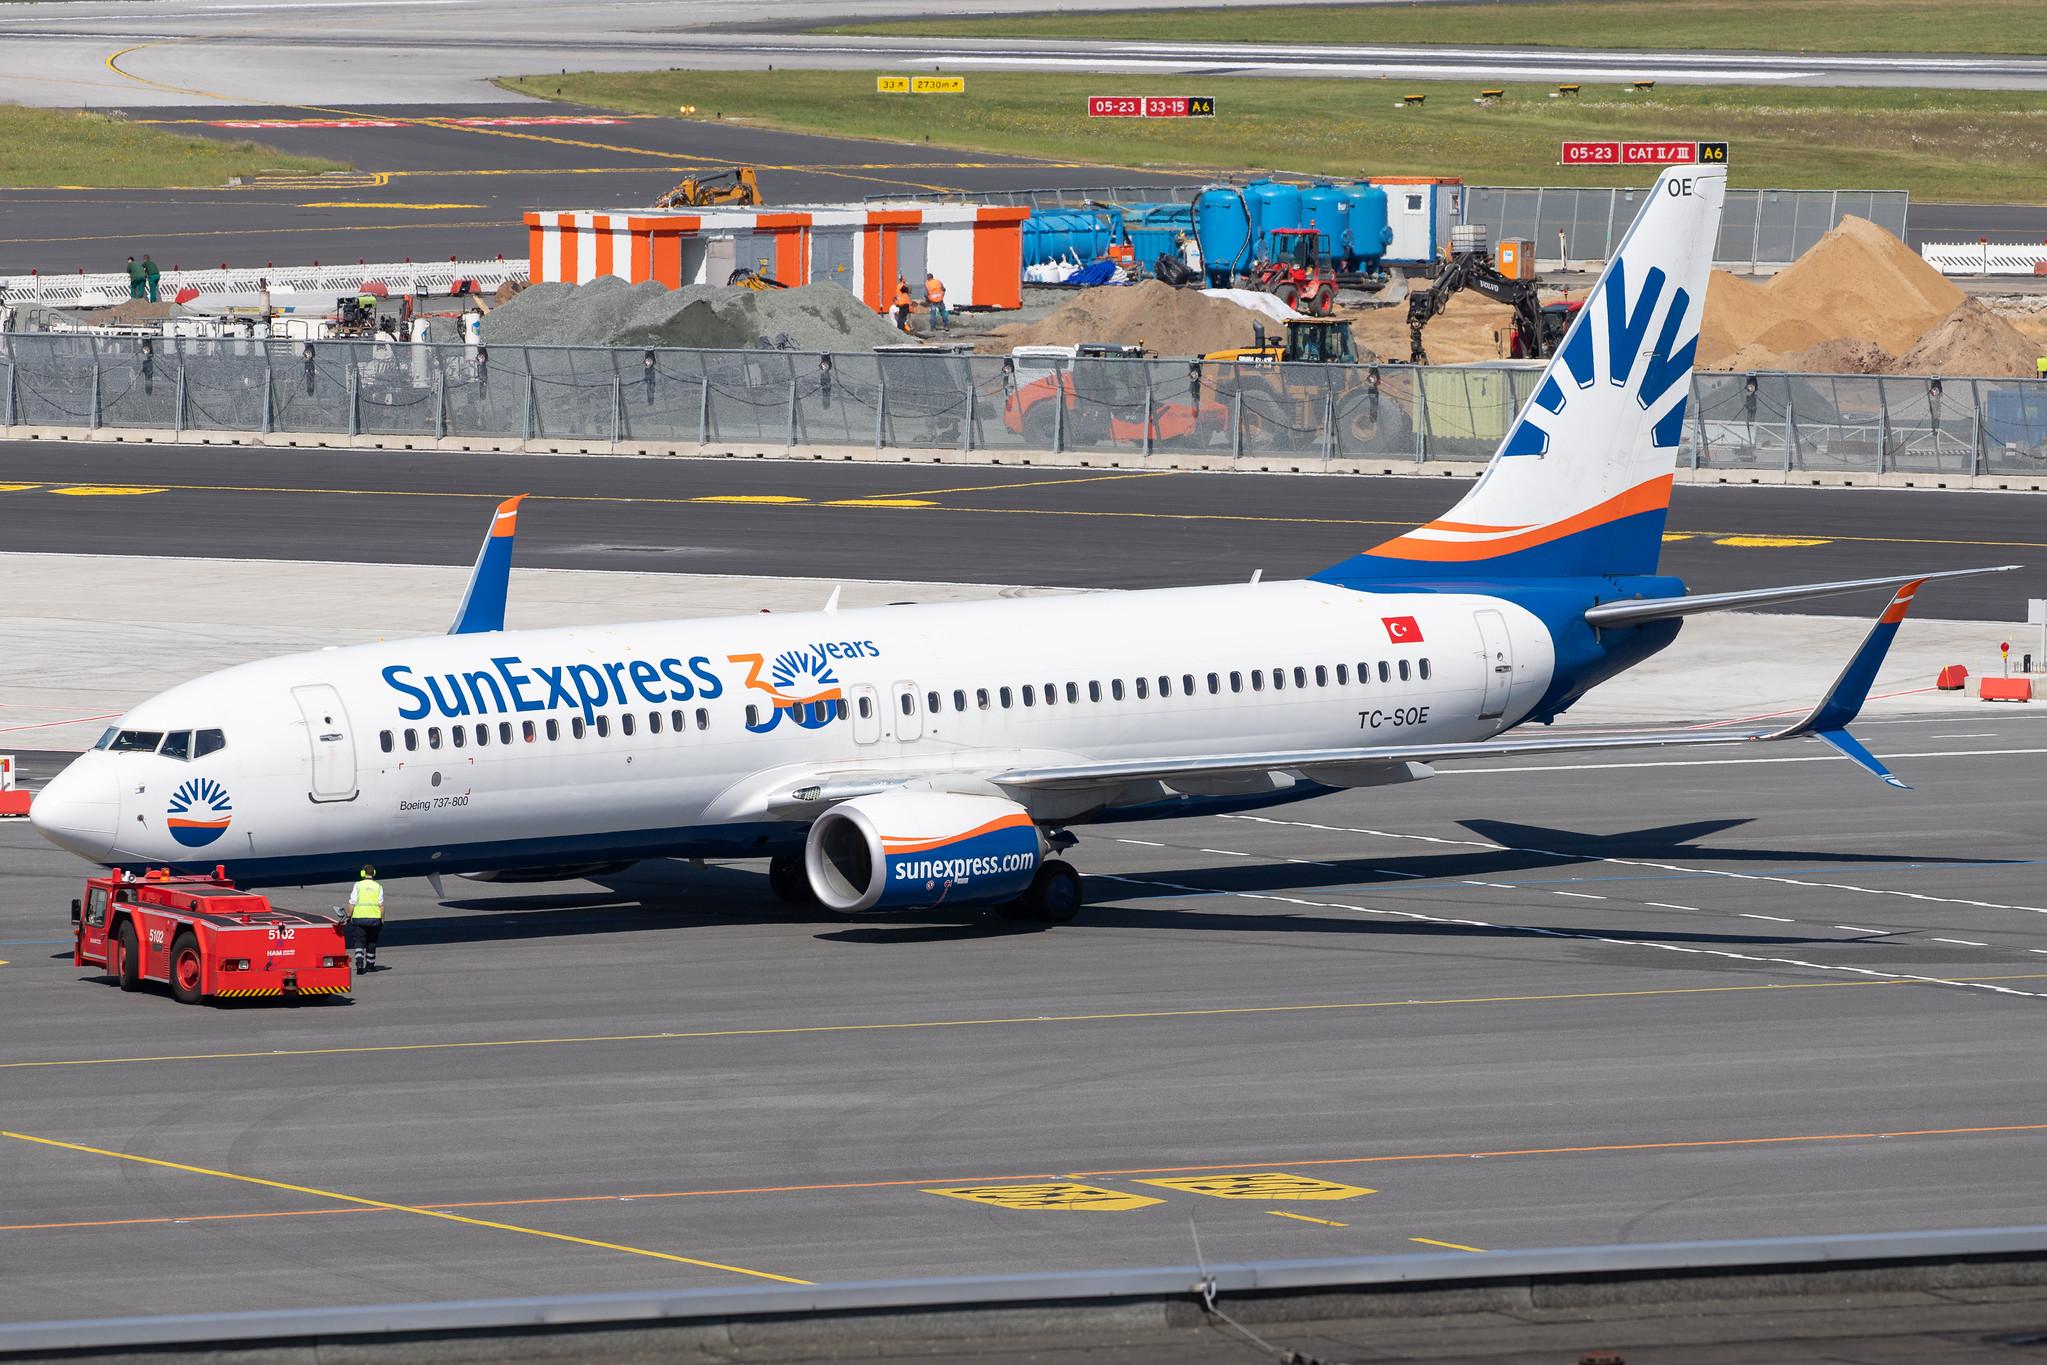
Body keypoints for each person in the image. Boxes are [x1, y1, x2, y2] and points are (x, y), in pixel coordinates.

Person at [345, 865, 385, 972]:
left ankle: (359, 964)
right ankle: (370, 965)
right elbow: (381, 905)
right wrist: (382, 919)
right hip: (374, 919)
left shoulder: (358, 885)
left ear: (363, 873)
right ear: (374, 873)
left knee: (359, 942)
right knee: (372, 942)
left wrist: (348, 916)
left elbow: (352, 902)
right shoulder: (378, 886)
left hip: (359, 918)